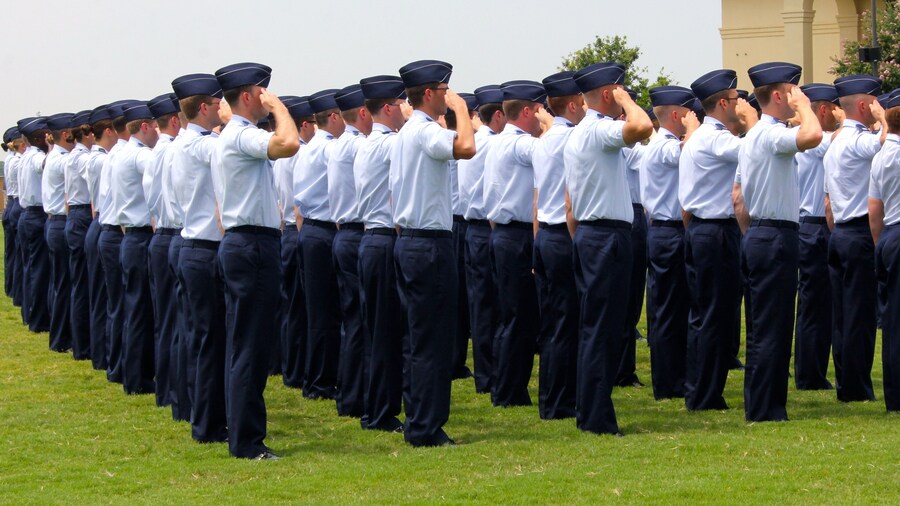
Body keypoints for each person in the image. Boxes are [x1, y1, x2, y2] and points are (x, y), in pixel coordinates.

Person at [213, 62, 299, 460]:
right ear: (248, 95)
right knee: (250, 346)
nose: (266, 99)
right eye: (262, 92)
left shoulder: (233, 136)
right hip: (252, 246)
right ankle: (247, 441)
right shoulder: (242, 135)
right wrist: (280, 108)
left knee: (245, 343)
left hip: (246, 243)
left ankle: (243, 436)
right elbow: (288, 144)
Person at [564, 62, 654, 436]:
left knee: (597, 328)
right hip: (604, 238)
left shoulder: (583, 134)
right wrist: (627, 101)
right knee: (603, 329)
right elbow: (644, 126)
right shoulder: (598, 129)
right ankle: (597, 418)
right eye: (618, 90)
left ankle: (590, 411)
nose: (624, 97)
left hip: (593, 234)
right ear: (607, 93)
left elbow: (570, 205)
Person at [392, 59, 475, 446]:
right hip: (428, 244)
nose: (449, 96)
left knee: (416, 338)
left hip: (411, 240)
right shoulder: (424, 131)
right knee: (432, 340)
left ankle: (418, 420)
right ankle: (426, 426)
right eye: (445, 91)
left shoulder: (407, 133)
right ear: (429, 93)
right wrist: (460, 110)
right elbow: (467, 147)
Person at [739, 62, 822, 421]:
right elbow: (813, 136)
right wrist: (805, 109)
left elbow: (738, 198)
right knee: (772, 326)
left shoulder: (755, 134)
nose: (797, 96)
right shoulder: (770, 133)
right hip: (775, 235)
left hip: (760, 232)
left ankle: (762, 403)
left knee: (763, 326)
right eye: (792, 91)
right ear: (778, 95)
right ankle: (766, 408)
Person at [679, 69, 756, 411]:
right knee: (715, 314)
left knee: (707, 314)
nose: (740, 104)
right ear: (723, 102)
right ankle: (704, 393)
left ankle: (701, 389)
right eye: (737, 99)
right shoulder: (715, 138)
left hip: (702, 229)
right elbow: (755, 151)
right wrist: (755, 121)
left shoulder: (702, 137)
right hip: (716, 231)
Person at [483, 79, 549, 407]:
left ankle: (507, 386)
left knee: (510, 315)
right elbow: (550, 150)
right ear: (527, 111)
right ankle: (508, 391)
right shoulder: (520, 144)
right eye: (540, 110)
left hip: (502, 234)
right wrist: (554, 128)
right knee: (519, 318)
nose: (543, 117)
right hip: (517, 236)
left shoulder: (497, 141)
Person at [170, 72, 229, 441]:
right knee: (210, 341)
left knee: (196, 336)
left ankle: (192, 408)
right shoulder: (203, 145)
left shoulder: (180, 144)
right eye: (217, 103)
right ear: (204, 107)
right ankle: (207, 425)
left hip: (189, 244)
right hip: (204, 249)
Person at [823, 74, 887, 403]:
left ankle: (847, 382)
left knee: (843, 315)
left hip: (841, 233)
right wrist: (883, 121)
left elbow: (829, 201)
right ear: (864, 105)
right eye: (876, 103)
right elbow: (888, 141)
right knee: (859, 316)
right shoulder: (857, 140)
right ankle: (856, 387)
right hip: (859, 232)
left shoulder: (835, 141)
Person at [354, 74, 408, 432]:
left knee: (377, 332)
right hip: (385, 239)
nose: (407, 108)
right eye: (402, 102)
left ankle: (375, 407)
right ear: (387, 107)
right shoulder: (392, 145)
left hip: (371, 240)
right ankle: (381, 412)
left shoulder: (366, 144)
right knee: (388, 332)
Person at [640, 85, 699, 400]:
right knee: (667, 311)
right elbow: (690, 150)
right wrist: (695, 131)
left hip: (669, 231)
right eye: (688, 113)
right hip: (668, 230)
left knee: (674, 308)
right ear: (676, 115)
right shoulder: (664, 145)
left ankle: (675, 376)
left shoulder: (662, 143)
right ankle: (668, 382)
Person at [532, 71, 584, 419]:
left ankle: (550, 397)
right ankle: (562, 401)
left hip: (544, 235)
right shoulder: (573, 139)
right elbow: (571, 200)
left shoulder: (543, 141)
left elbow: (537, 199)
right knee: (568, 322)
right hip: (564, 235)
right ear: (573, 103)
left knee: (552, 323)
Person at [293, 88, 343, 401]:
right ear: (334, 117)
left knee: (315, 311)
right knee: (327, 311)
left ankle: (314, 376)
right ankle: (322, 381)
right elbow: (339, 195)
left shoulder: (308, 149)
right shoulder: (330, 150)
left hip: (309, 231)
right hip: (325, 231)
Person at [329, 83, 373, 418]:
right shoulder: (358, 145)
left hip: (345, 234)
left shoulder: (339, 144)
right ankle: (357, 395)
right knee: (362, 320)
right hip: (357, 234)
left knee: (352, 319)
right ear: (362, 113)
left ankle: (350, 393)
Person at [794, 83, 842, 390]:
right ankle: (809, 375)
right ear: (822, 111)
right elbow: (840, 140)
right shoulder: (818, 140)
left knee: (820, 304)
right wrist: (846, 120)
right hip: (813, 225)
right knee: (814, 304)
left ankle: (812, 372)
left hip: (811, 226)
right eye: (834, 108)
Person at [458, 84, 506, 394]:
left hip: (472, 228)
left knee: (480, 303)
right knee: (491, 304)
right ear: (497, 116)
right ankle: (489, 375)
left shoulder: (476, 140)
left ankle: (485, 374)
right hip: (485, 229)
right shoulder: (493, 144)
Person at [111, 100, 159, 395]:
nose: (156, 130)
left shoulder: (121, 153)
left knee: (133, 309)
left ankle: (133, 373)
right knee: (140, 311)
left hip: (130, 236)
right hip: (139, 236)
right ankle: (138, 378)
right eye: (154, 125)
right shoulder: (140, 156)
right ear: (144, 126)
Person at [273, 95, 315, 389]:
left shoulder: (279, 152)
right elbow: (299, 206)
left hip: (283, 230)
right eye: (312, 122)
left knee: (290, 306)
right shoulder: (299, 152)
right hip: (295, 231)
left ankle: (289, 367)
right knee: (299, 308)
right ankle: (296, 370)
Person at [145, 93, 182, 407]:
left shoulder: (157, 151)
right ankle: (175, 390)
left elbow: (151, 197)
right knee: (177, 321)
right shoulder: (174, 150)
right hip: (175, 234)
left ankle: (168, 390)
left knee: (166, 319)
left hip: (161, 235)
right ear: (175, 120)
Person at [870, 89, 900, 412]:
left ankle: (895, 395)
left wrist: (881, 247)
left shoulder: (880, 158)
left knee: (892, 322)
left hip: (890, 234)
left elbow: (874, 210)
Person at [97, 101, 131, 383]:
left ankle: (115, 363)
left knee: (117, 304)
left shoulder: (114, 154)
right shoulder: (124, 155)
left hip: (110, 230)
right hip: (117, 233)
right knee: (122, 304)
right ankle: (119, 366)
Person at [84, 105, 116, 371]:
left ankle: (101, 353)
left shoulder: (98, 158)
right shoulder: (103, 159)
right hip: (104, 223)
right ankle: (101, 354)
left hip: (98, 222)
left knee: (100, 295)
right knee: (102, 297)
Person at [42, 113, 75, 353]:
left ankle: (59, 336)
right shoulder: (63, 160)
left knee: (59, 283)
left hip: (53, 223)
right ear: (65, 134)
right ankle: (62, 338)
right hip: (60, 222)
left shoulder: (54, 156)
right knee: (64, 284)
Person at [64, 111, 95, 361]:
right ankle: (83, 345)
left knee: (79, 284)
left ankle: (81, 343)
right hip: (83, 214)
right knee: (84, 285)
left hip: (75, 214)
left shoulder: (73, 156)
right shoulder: (84, 158)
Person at [16, 116, 51, 333]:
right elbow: (46, 164)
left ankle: (30, 314)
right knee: (39, 270)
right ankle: (38, 320)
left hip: (27, 214)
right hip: (36, 215)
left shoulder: (25, 156)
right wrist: (52, 146)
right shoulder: (37, 156)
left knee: (30, 267)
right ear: (38, 138)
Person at [2, 127, 25, 307]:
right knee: (18, 253)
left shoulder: (11, 159)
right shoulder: (18, 161)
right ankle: (16, 290)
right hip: (17, 203)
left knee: (13, 253)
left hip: (12, 203)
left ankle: (12, 288)